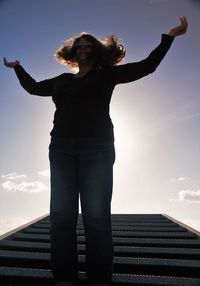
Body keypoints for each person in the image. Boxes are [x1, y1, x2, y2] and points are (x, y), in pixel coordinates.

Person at [4, 17, 188, 286]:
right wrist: (18, 67)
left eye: (88, 44)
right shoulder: (62, 80)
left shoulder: (107, 75)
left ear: (97, 50)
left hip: (97, 148)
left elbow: (147, 67)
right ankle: (64, 279)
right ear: (72, 52)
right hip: (61, 149)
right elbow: (33, 88)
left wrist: (170, 36)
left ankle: (99, 280)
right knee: (61, 217)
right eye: (79, 44)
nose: (83, 47)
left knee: (96, 217)